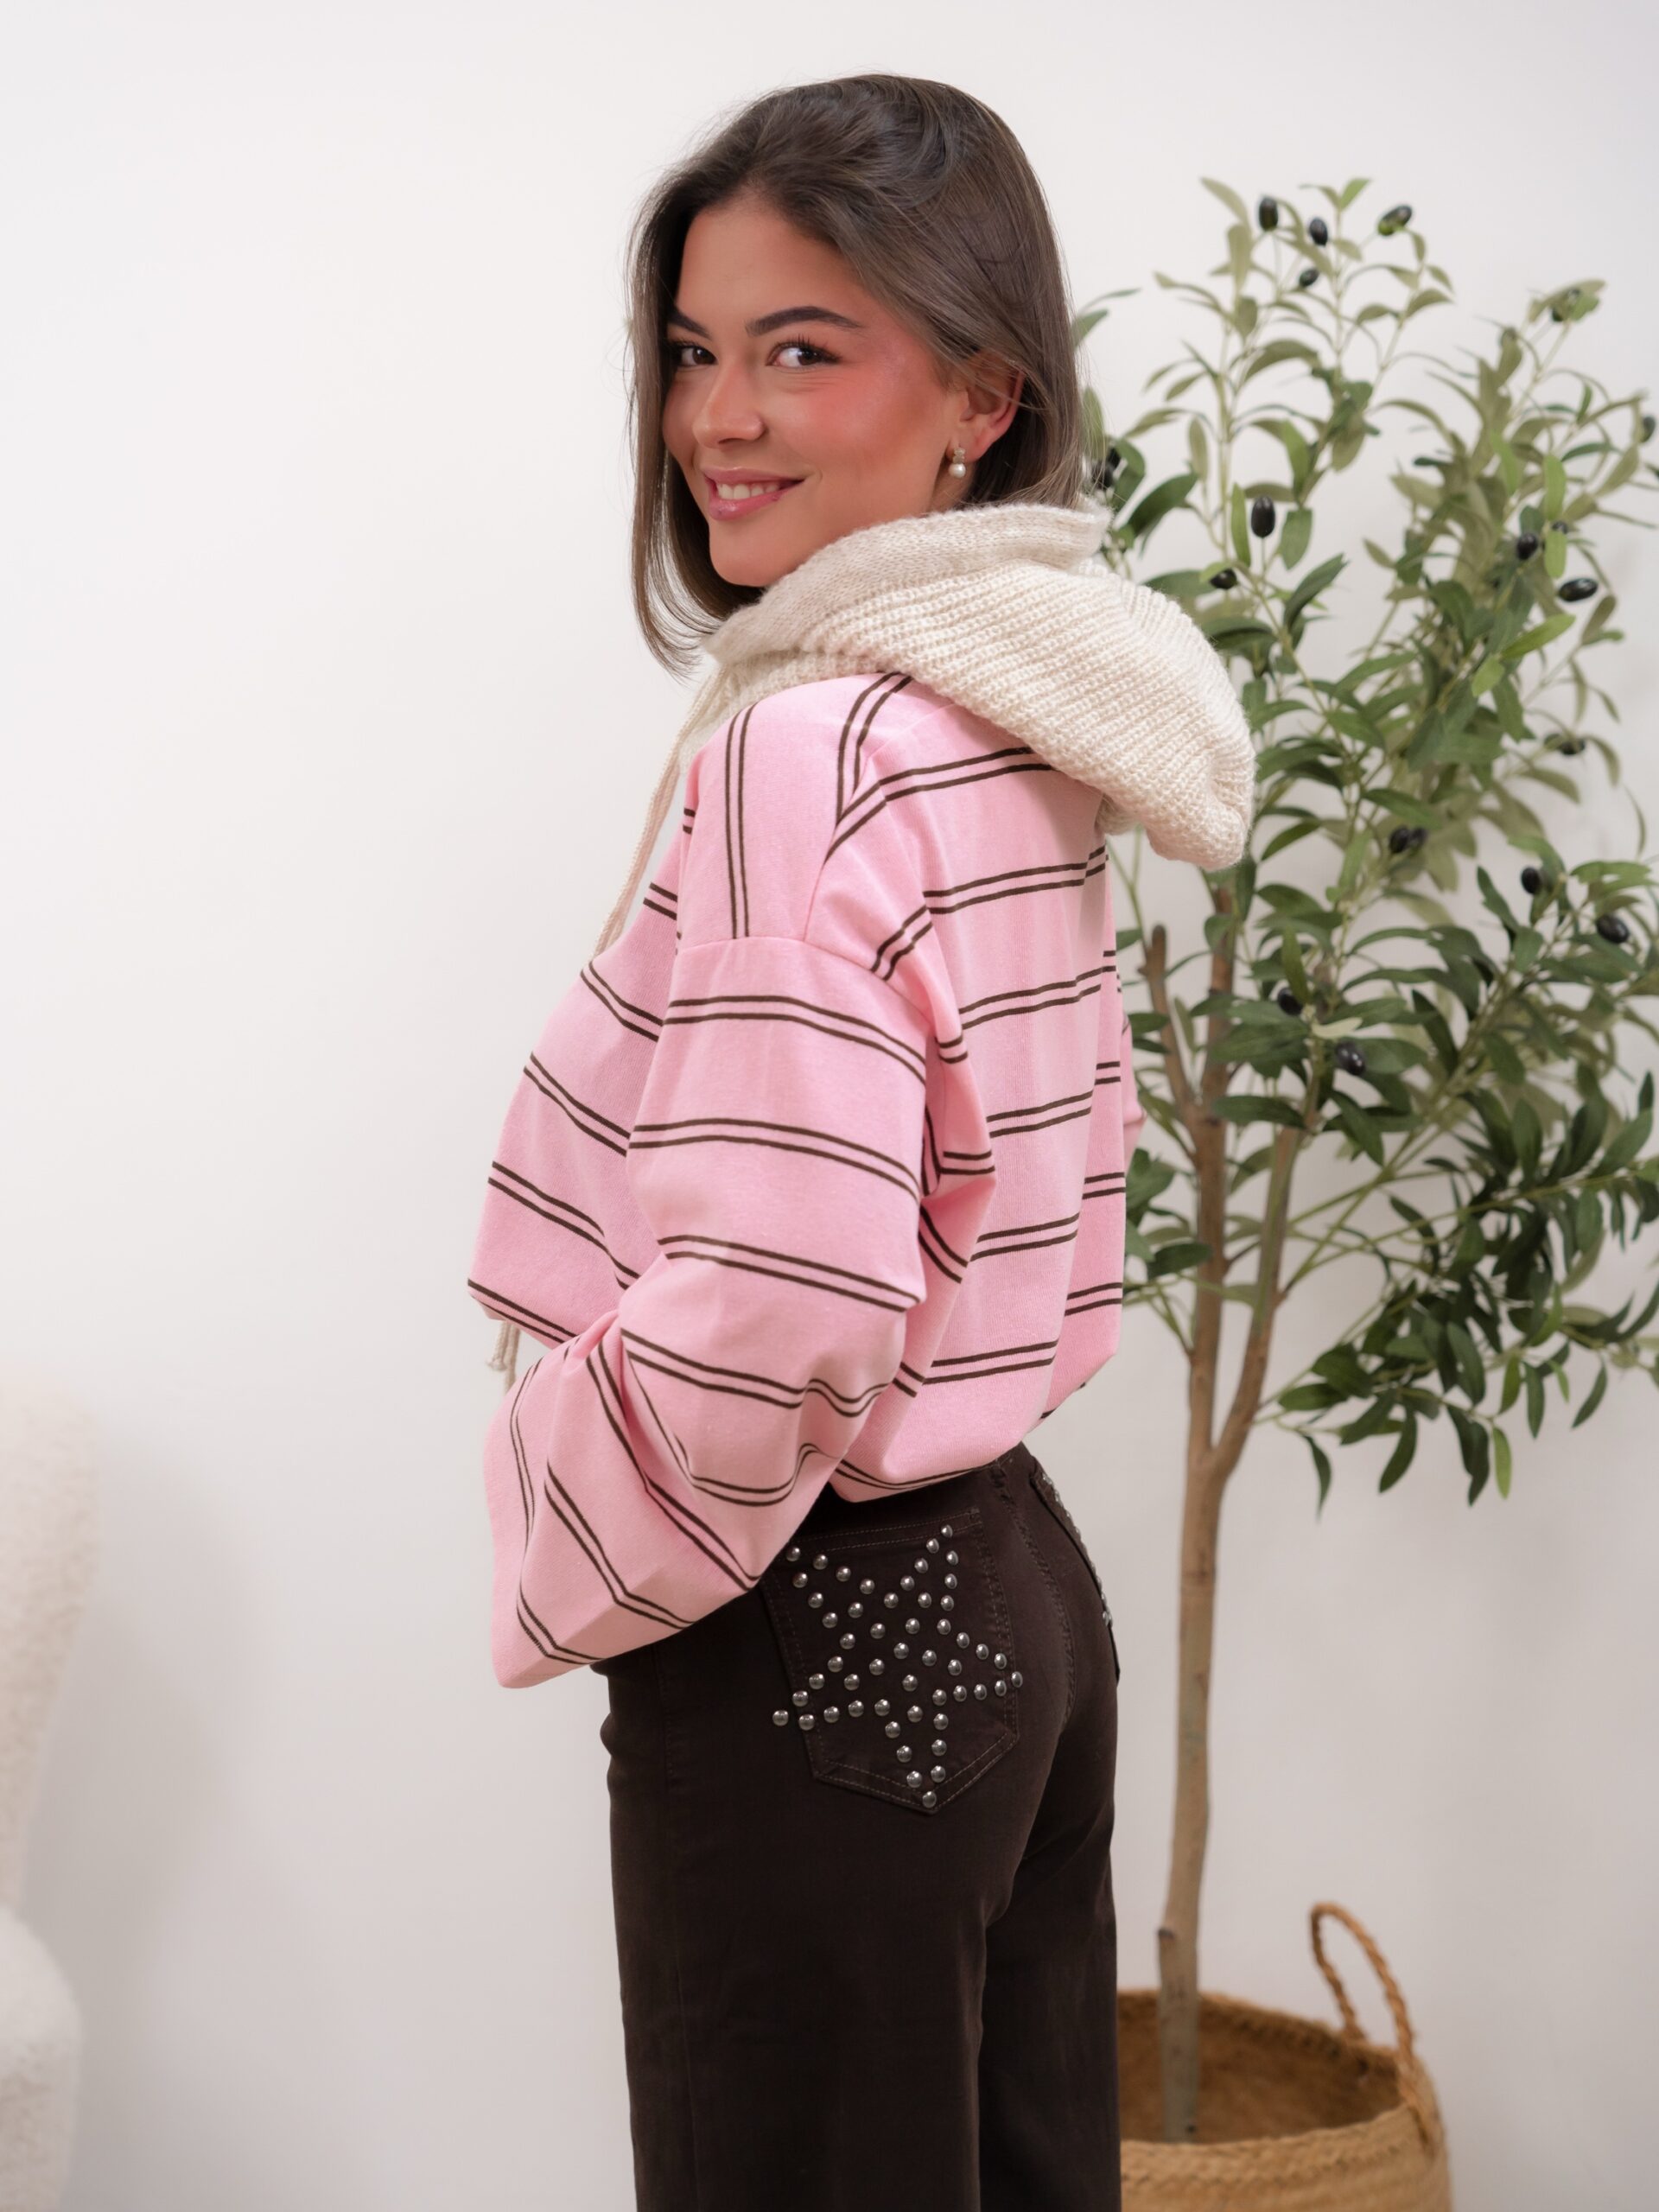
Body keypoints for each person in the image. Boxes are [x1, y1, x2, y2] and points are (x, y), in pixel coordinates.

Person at [464, 73, 1254, 2212]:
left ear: (985, 396)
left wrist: (576, 1499)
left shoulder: (807, 744)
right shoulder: (1026, 705)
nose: (720, 418)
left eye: (803, 349)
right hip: (1015, 1592)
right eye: (693, 351)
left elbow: (790, 1286)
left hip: (820, 1619)